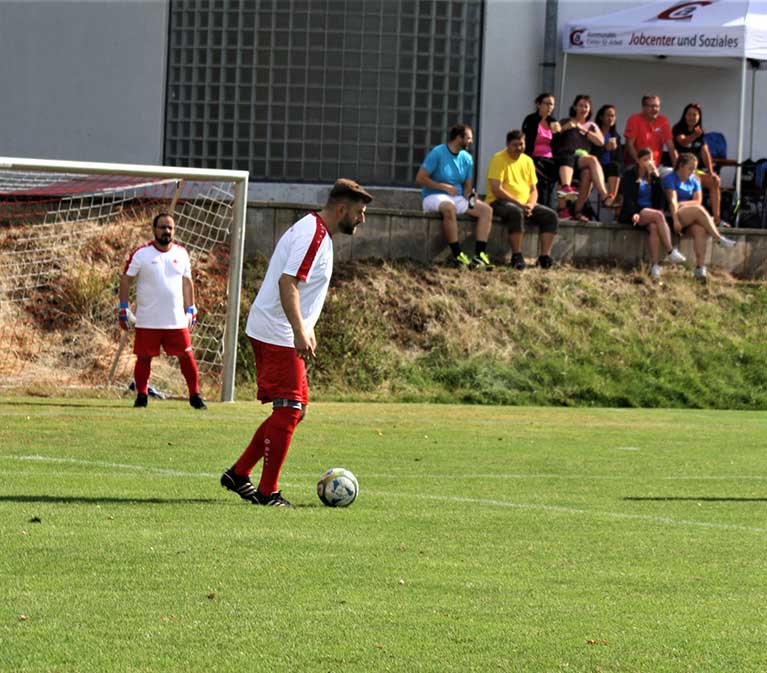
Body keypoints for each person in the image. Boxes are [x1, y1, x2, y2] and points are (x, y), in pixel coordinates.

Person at [220, 179, 372, 507]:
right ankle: (267, 492)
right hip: (277, 332)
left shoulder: (317, 232)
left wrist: (306, 326)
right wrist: (299, 330)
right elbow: (287, 283)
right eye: (359, 212)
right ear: (342, 209)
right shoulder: (313, 235)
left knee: (296, 410)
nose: (363, 219)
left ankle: (239, 473)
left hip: (281, 329)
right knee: (288, 410)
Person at [118, 213, 206, 410]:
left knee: (187, 356)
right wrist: (123, 307)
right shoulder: (141, 253)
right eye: (162, 227)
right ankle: (141, 396)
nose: (166, 231)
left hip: (175, 319)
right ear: (154, 229)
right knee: (144, 358)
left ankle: (195, 396)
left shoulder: (182, 253)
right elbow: (126, 279)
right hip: (148, 319)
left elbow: (187, 281)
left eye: (170, 228)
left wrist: (191, 308)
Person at [415, 122, 495, 269]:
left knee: (486, 210)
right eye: (469, 138)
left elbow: (467, 188)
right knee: (449, 207)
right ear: (459, 138)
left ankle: (479, 256)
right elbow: (420, 178)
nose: (471, 141)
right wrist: (443, 186)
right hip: (434, 195)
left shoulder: (467, 158)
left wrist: (471, 197)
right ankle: (458, 255)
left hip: (457, 197)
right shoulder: (438, 153)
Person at [485, 130, 559, 270]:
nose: (519, 148)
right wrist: (520, 204)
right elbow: (496, 189)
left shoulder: (528, 161)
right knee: (516, 212)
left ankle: (544, 257)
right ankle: (517, 255)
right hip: (498, 202)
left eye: (521, 144)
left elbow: (533, 189)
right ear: (507, 144)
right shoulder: (498, 159)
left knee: (551, 216)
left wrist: (530, 204)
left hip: (525, 204)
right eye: (515, 145)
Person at [662, 153, 737, 280]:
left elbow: (698, 201)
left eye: (694, 169)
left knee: (700, 229)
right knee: (698, 210)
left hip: (689, 213)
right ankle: (718, 239)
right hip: (672, 215)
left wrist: (683, 204)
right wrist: (675, 219)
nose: (692, 172)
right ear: (680, 166)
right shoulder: (670, 178)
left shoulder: (694, 180)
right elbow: (672, 201)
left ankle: (700, 268)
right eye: (690, 168)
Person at [618, 148, 686, 280]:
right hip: (635, 213)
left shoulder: (652, 176)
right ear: (638, 161)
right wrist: (634, 213)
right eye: (645, 160)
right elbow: (628, 198)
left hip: (650, 214)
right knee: (659, 215)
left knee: (654, 228)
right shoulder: (630, 174)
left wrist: (656, 177)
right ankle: (670, 251)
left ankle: (654, 266)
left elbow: (660, 199)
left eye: (650, 160)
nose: (648, 162)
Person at [554, 94, 615, 221]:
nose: (583, 109)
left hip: (581, 159)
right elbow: (555, 133)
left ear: (589, 109)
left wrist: (582, 129)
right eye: (580, 105)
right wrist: (567, 127)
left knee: (588, 173)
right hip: (566, 157)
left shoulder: (591, 125)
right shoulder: (566, 121)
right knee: (592, 160)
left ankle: (577, 210)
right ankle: (604, 196)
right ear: (575, 107)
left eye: (586, 106)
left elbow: (600, 141)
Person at [672, 103, 728, 227]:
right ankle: (697, 217)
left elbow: (705, 152)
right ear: (684, 116)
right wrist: (694, 136)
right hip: (681, 171)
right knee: (696, 179)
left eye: (695, 115)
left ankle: (717, 219)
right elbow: (682, 141)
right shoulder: (678, 128)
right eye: (689, 114)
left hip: (696, 171)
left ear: (699, 117)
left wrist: (711, 172)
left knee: (715, 181)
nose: (692, 117)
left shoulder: (700, 132)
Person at [521, 92, 562, 202]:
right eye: (546, 104)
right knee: (540, 184)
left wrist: (560, 132)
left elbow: (557, 143)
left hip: (549, 159)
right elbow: (526, 139)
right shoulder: (531, 119)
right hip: (534, 158)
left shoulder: (553, 122)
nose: (549, 107)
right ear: (538, 104)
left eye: (552, 104)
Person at [624, 94, 677, 170]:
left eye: (657, 106)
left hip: (655, 167)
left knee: (670, 175)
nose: (655, 109)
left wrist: (677, 168)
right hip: (635, 166)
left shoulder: (663, 121)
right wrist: (640, 163)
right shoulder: (634, 120)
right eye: (651, 106)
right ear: (643, 107)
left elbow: (671, 147)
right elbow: (629, 145)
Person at [593, 104, 623, 205]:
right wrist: (605, 149)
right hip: (596, 167)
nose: (611, 118)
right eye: (608, 115)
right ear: (601, 117)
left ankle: (611, 198)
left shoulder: (615, 136)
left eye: (613, 116)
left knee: (616, 166)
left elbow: (619, 159)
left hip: (609, 169)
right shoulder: (595, 133)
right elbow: (591, 153)